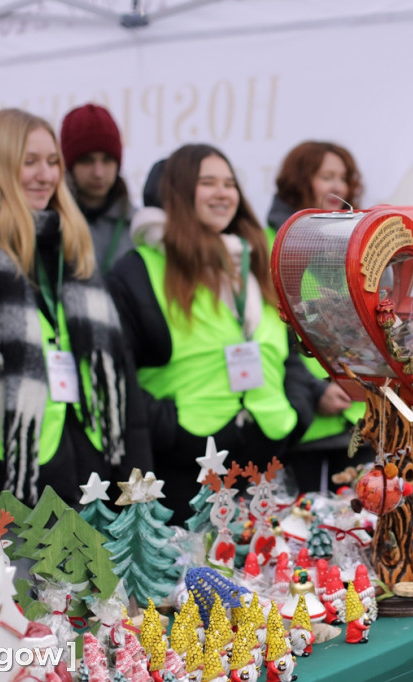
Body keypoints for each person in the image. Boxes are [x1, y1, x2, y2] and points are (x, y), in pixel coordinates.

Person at [0, 108, 150, 530]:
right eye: (28, 161)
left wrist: (140, 497)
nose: (45, 175)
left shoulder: (74, 258)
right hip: (2, 500)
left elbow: (123, 389)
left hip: (88, 492)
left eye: (52, 161)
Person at [107, 143, 348, 522]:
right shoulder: (138, 270)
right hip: (184, 471)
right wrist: (169, 429)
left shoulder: (255, 262)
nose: (222, 193)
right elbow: (118, 376)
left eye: (229, 183)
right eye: (208, 183)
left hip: (265, 460)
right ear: (178, 191)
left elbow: (286, 350)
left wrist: (296, 410)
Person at [266, 141, 366, 491]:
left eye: (343, 178)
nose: (338, 187)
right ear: (299, 182)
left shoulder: (358, 243)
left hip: (357, 416)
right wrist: (315, 391)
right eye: (326, 177)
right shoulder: (268, 244)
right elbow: (271, 333)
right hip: (301, 418)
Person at [60, 103, 134, 273]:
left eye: (107, 160)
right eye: (87, 160)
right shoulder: (53, 223)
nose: (98, 173)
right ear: (70, 166)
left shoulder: (138, 227)